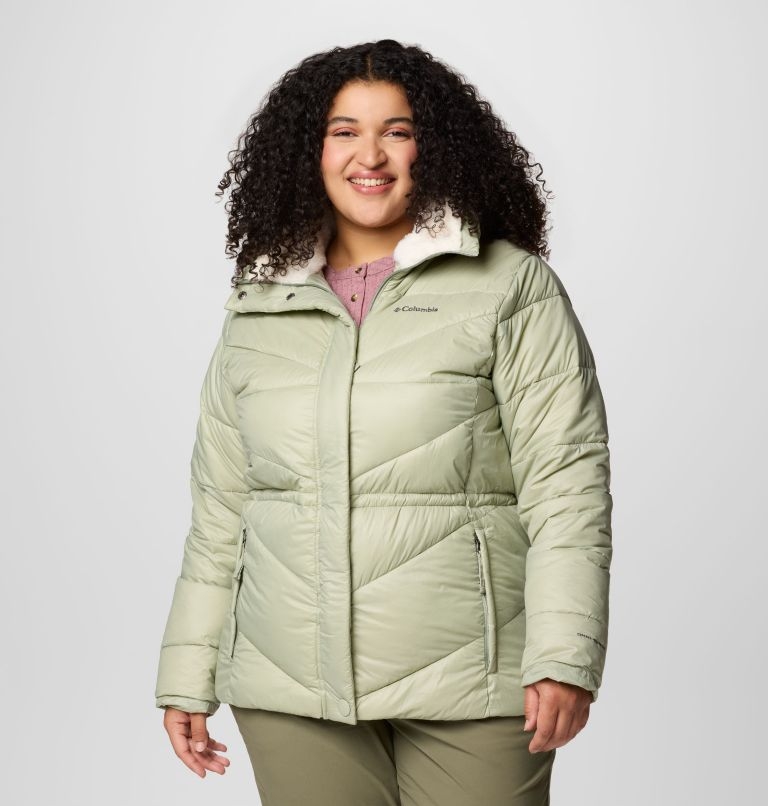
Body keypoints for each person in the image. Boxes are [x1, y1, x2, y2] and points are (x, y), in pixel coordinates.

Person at [154, 39, 613, 805]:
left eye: (398, 131)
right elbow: (223, 510)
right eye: (344, 131)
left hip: (473, 682)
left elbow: (567, 485)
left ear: (437, 147)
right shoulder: (259, 303)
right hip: (290, 686)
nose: (370, 155)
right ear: (308, 150)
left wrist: (564, 656)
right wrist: (187, 670)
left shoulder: (511, 286)